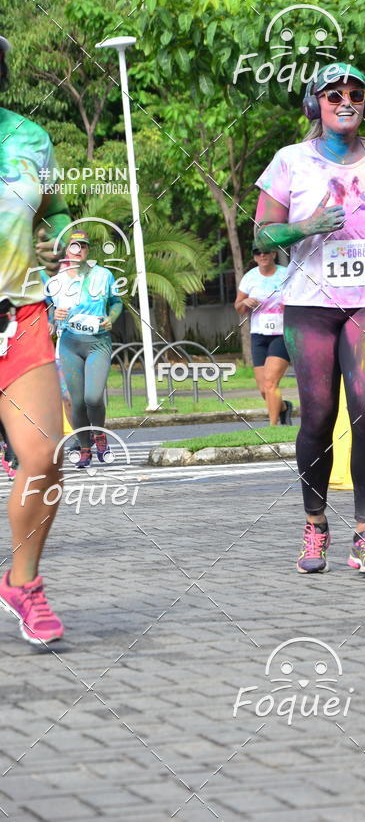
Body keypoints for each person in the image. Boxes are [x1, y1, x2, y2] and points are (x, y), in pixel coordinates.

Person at [254, 62, 365, 575]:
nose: (345, 101)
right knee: (319, 414)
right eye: (333, 94)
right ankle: (316, 524)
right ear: (314, 104)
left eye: (355, 93)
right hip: (309, 304)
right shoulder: (290, 161)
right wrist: (306, 226)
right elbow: (263, 236)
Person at [0, 34, 69, 643]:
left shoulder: (29, 139)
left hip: (18, 316)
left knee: (45, 455)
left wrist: (61, 238)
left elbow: (57, 209)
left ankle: (23, 583)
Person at [47, 230, 123, 468]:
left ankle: (99, 435)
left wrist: (111, 318)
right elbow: (48, 310)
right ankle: (85, 449)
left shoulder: (104, 275)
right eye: (74, 246)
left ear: (88, 251)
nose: (79, 250)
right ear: (66, 251)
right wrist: (54, 314)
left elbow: (117, 303)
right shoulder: (56, 281)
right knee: (77, 402)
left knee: (92, 397)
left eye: (83, 246)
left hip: (98, 342)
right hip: (69, 344)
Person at [235, 242, 293, 425]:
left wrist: (289, 304)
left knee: (270, 383)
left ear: (274, 254)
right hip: (259, 334)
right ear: (254, 257)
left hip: (281, 334)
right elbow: (238, 306)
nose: (262, 255)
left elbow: (300, 296)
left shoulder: (286, 274)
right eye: (257, 253)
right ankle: (284, 407)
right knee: (263, 389)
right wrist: (246, 303)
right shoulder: (249, 278)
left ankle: (273, 426)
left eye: (266, 252)